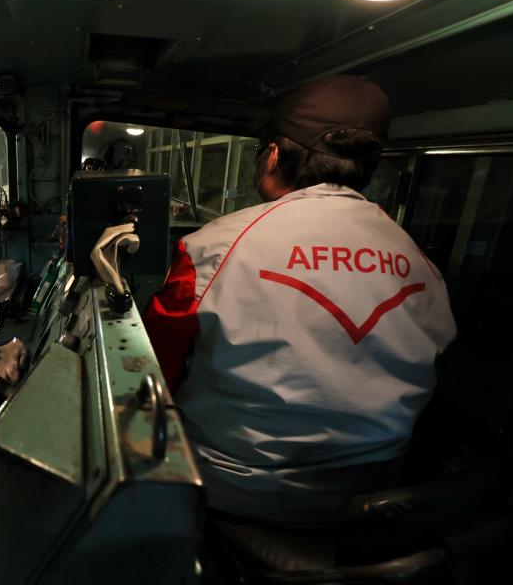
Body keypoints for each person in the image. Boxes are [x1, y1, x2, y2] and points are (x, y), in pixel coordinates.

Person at [143, 75, 456, 524]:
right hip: (379, 492)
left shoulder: (214, 247)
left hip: (242, 489)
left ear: (271, 156)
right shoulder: (422, 262)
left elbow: (154, 369)